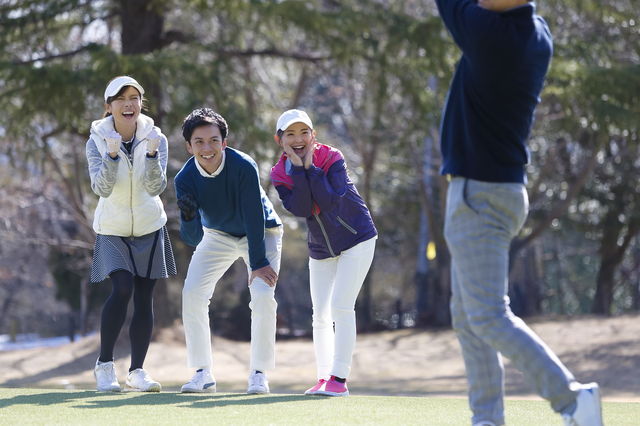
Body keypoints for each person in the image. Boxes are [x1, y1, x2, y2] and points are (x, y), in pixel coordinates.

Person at [434, 1, 602, 425]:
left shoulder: (488, 33)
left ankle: (573, 400)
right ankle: (487, 418)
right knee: (468, 316)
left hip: (479, 195)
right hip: (500, 191)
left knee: (488, 315)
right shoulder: (537, 33)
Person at [174, 108, 283, 395]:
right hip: (218, 234)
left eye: (213, 140)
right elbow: (194, 237)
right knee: (192, 293)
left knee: (261, 294)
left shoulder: (243, 165)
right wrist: (187, 217)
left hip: (261, 232)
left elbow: (253, 217)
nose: (206, 148)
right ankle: (202, 372)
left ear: (224, 142)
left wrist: (258, 263)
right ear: (189, 146)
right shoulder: (183, 180)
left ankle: (259, 373)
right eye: (199, 142)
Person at [270, 109, 377, 397]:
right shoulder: (280, 173)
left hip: (357, 238)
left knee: (341, 307)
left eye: (304, 132)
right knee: (320, 314)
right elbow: (303, 209)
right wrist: (298, 169)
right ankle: (323, 377)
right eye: (290, 134)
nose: (298, 138)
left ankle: (339, 380)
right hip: (321, 247)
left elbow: (330, 200)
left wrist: (309, 168)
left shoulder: (332, 157)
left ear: (313, 136)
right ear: (280, 140)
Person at [87, 76, 176, 392]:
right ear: (108, 106)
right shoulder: (96, 140)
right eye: (121, 98)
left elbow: (156, 187)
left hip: (150, 226)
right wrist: (112, 156)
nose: (129, 104)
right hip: (112, 228)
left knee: (144, 297)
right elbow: (102, 188)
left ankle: (137, 371)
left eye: (135, 97)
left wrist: (152, 155)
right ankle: (105, 366)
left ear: (141, 104)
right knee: (122, 288)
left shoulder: (156, 138)